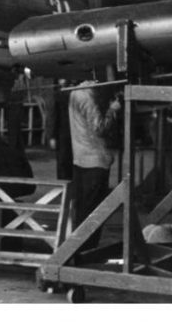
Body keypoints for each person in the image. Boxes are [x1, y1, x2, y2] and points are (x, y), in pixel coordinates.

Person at [69, 80, 122, 252]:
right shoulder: (88, 96)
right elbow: (99, 128)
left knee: (83, 208)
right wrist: (113, 110)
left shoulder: (74, 93)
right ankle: (86, 249)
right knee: (93, 212)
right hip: (95, 161)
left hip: (80, 158)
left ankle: (79, 248)